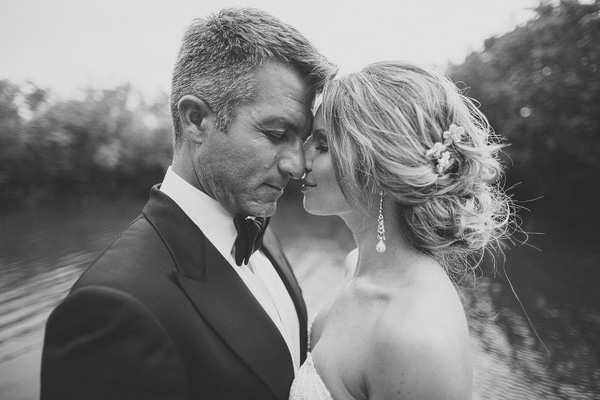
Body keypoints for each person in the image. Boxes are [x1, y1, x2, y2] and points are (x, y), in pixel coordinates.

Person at [40, 8, 336, 400]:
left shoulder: (261, 229)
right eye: (276, 133)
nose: (297, 165)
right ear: (197, 119)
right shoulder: (112, 310)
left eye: (300, 140)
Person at [290, 61, 513, 399]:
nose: (299, 160)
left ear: (379, 167)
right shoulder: (357, 267)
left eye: (322, 145)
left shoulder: (413, 339)